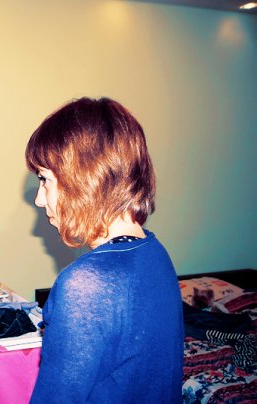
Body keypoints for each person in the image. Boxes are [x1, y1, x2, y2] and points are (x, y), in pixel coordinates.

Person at [25, 97, 183, 403]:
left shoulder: (85, 285)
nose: (39, 200)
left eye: (45, 179)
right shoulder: (155, 252)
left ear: (84, 176)